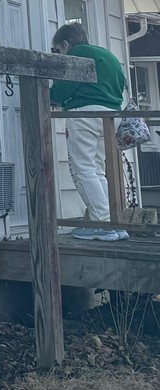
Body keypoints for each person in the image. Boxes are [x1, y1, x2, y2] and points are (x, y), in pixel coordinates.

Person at [50, 23, 129, 241]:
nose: (58, 54)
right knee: (97, 169)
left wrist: (49, 97)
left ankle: (102, 224)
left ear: (65, 44)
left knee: (83, 169)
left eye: (56, 50)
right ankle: (113, 223)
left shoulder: (75, 55)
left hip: (84, 114)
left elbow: (61, 91)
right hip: (111, 115)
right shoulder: (108, 56)